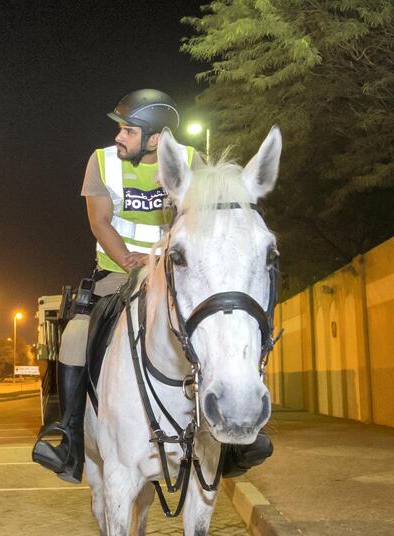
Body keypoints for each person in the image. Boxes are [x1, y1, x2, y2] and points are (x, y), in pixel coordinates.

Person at [33, 89, 271, 484]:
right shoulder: (101, 162)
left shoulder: (190, 160)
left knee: (227, 325)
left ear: (155, 139)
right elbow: (100, 221)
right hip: (118, 272)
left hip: (174, 273)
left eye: (128, 130)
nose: (119, 137)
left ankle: (236, 438)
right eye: (121, 129)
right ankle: (69, 435)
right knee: (75, 336)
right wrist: (129, 259)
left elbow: (209, 218)